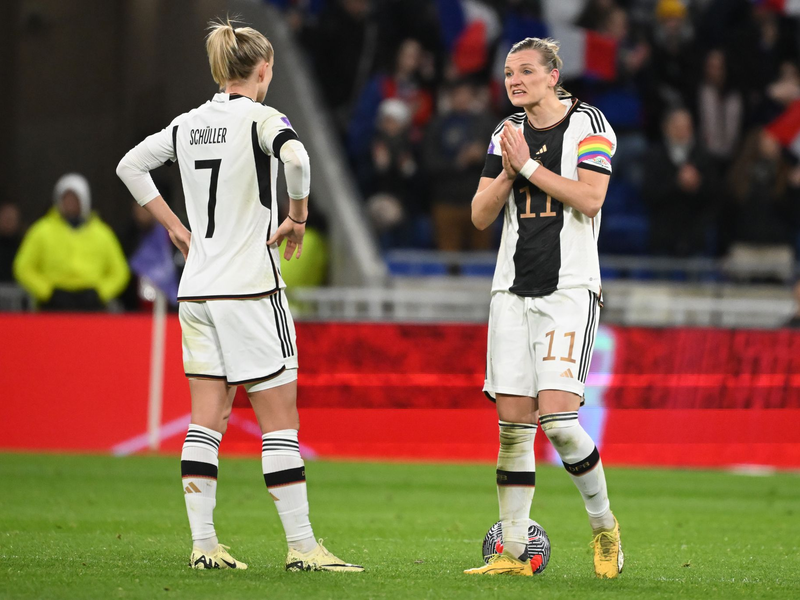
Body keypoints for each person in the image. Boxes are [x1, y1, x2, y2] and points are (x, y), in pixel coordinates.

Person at [116, 19, 362, 573]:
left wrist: (175, 227)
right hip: (249, 288)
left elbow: (129, 165)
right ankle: (302, 548)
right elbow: (296, 158)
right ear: (265, 69)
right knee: (279, 421)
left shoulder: (187, 124)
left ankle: (205, 546)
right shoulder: (262, 118)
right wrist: (297, 217)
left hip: (197, 290)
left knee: (207, 420)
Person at [465, 37, 622, 578]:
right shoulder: (503, 133)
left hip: (569, 290)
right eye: (509, 72)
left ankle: (604, 528)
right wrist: (509, 170)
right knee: (513, 427)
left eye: (527, 71)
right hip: (511, 290)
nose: (515, 80)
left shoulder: (592, 124)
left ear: (553, 76)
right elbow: (480, 215)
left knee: (557, 420)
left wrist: (527, 167)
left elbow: (591, 198)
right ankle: (511, 552)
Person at [13, 174, 129, 310]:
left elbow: (120, 272)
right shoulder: (41, 231)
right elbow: (23, 267)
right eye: (66, 199)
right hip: (53, 304)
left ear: (85, 200)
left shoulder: (103, 234)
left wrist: (100, 292)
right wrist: (47, 291)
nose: (70, 203)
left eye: (75, 199)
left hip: (91, 304)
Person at [643, 108, 720, 256]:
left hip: (696, 234)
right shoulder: (654, 156)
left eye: (686, 127)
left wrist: (697, 185)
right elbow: (648, 193)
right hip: (663, 234)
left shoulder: (704, 157)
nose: (682, 132)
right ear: (666, 128)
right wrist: (676, 183)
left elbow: (715, 194)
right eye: (677, 127)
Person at [0, 203, 22, 283]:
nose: (8, 222)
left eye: (12, 219)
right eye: (5, 218)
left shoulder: (24, 245)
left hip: (17, 289)